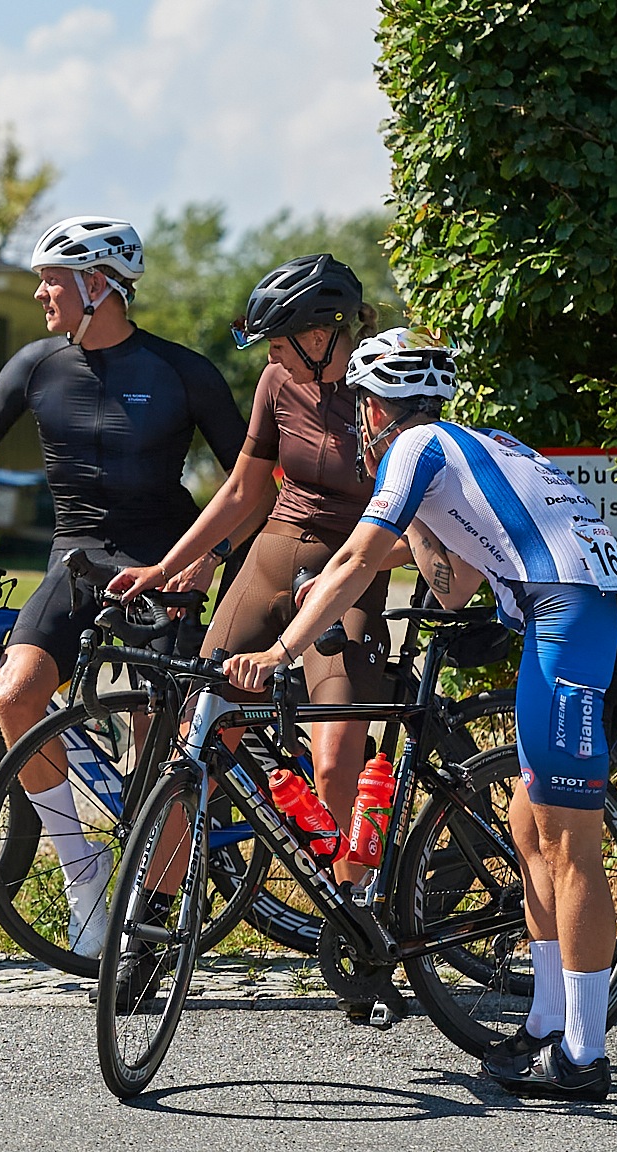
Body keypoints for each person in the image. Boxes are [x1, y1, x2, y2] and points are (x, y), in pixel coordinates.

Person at [222, 328, 617, 1102]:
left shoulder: (415, 445)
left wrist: (281, 651)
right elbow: (449, 584)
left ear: (375, 406)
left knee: (566, 843)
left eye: (360, 405)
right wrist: (395, 537)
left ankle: (585, 1054)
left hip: (573, 625)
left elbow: (359, 559)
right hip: (601, 622)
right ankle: (548, 1021)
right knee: (529, 826)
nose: (358, 421)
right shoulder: (477, 443)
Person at [0, 215, 246, 959]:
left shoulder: (180, 370)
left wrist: (213, 553)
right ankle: (82, 871)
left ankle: (154, 909)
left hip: (166, 563)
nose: (41, 293)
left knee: (160, 733)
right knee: (15, 693)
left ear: (98, 287)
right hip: (75, 562)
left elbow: (252, 480)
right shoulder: (37, 364)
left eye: (53, 280)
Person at [111, 254, 389, 893]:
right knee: (198, 737)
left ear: (320, 338)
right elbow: (243, 491)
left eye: (279, 342)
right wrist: (168, 565)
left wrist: (365, 564)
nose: (270, 357)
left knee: (336, 760)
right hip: (276, 552)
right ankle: (152, 922)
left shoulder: (380, 394)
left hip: (351, 569)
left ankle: (356, 922)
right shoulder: (275, 385)